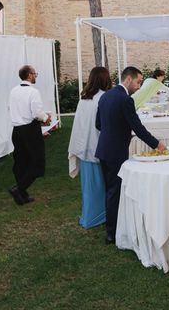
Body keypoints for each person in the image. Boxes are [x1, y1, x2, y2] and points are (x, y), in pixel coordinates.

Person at [95, 66, 167, 244]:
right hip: (115, 151)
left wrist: (119, 130)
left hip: (103, 149)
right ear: (128, 79)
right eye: (138, 82)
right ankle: (112, 232)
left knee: (110, 190)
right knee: (114, 190)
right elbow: (138, 128)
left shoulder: (105, 96)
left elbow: (99, 124)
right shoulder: (126, 100)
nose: (139, 86)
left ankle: (113, 226)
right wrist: (157, 144)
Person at [68, 67, 113, 228]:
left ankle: (90, 214)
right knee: (101, 183)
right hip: (97, 144)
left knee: (89, 185)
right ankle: (99, 215)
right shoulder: (105, 97)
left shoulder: (84, 98)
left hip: (84, 145)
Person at [8, 64, 52, 205]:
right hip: (30, 130)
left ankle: (22, 195)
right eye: (35, 74)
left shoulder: (13, 91)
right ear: (29, 75)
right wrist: (46, 118)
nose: (35, 76)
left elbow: (10, 108)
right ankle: (18, 188)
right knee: (38, 162)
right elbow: (37, 113)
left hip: (16, 130)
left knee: (21, 162)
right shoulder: (33, 92)